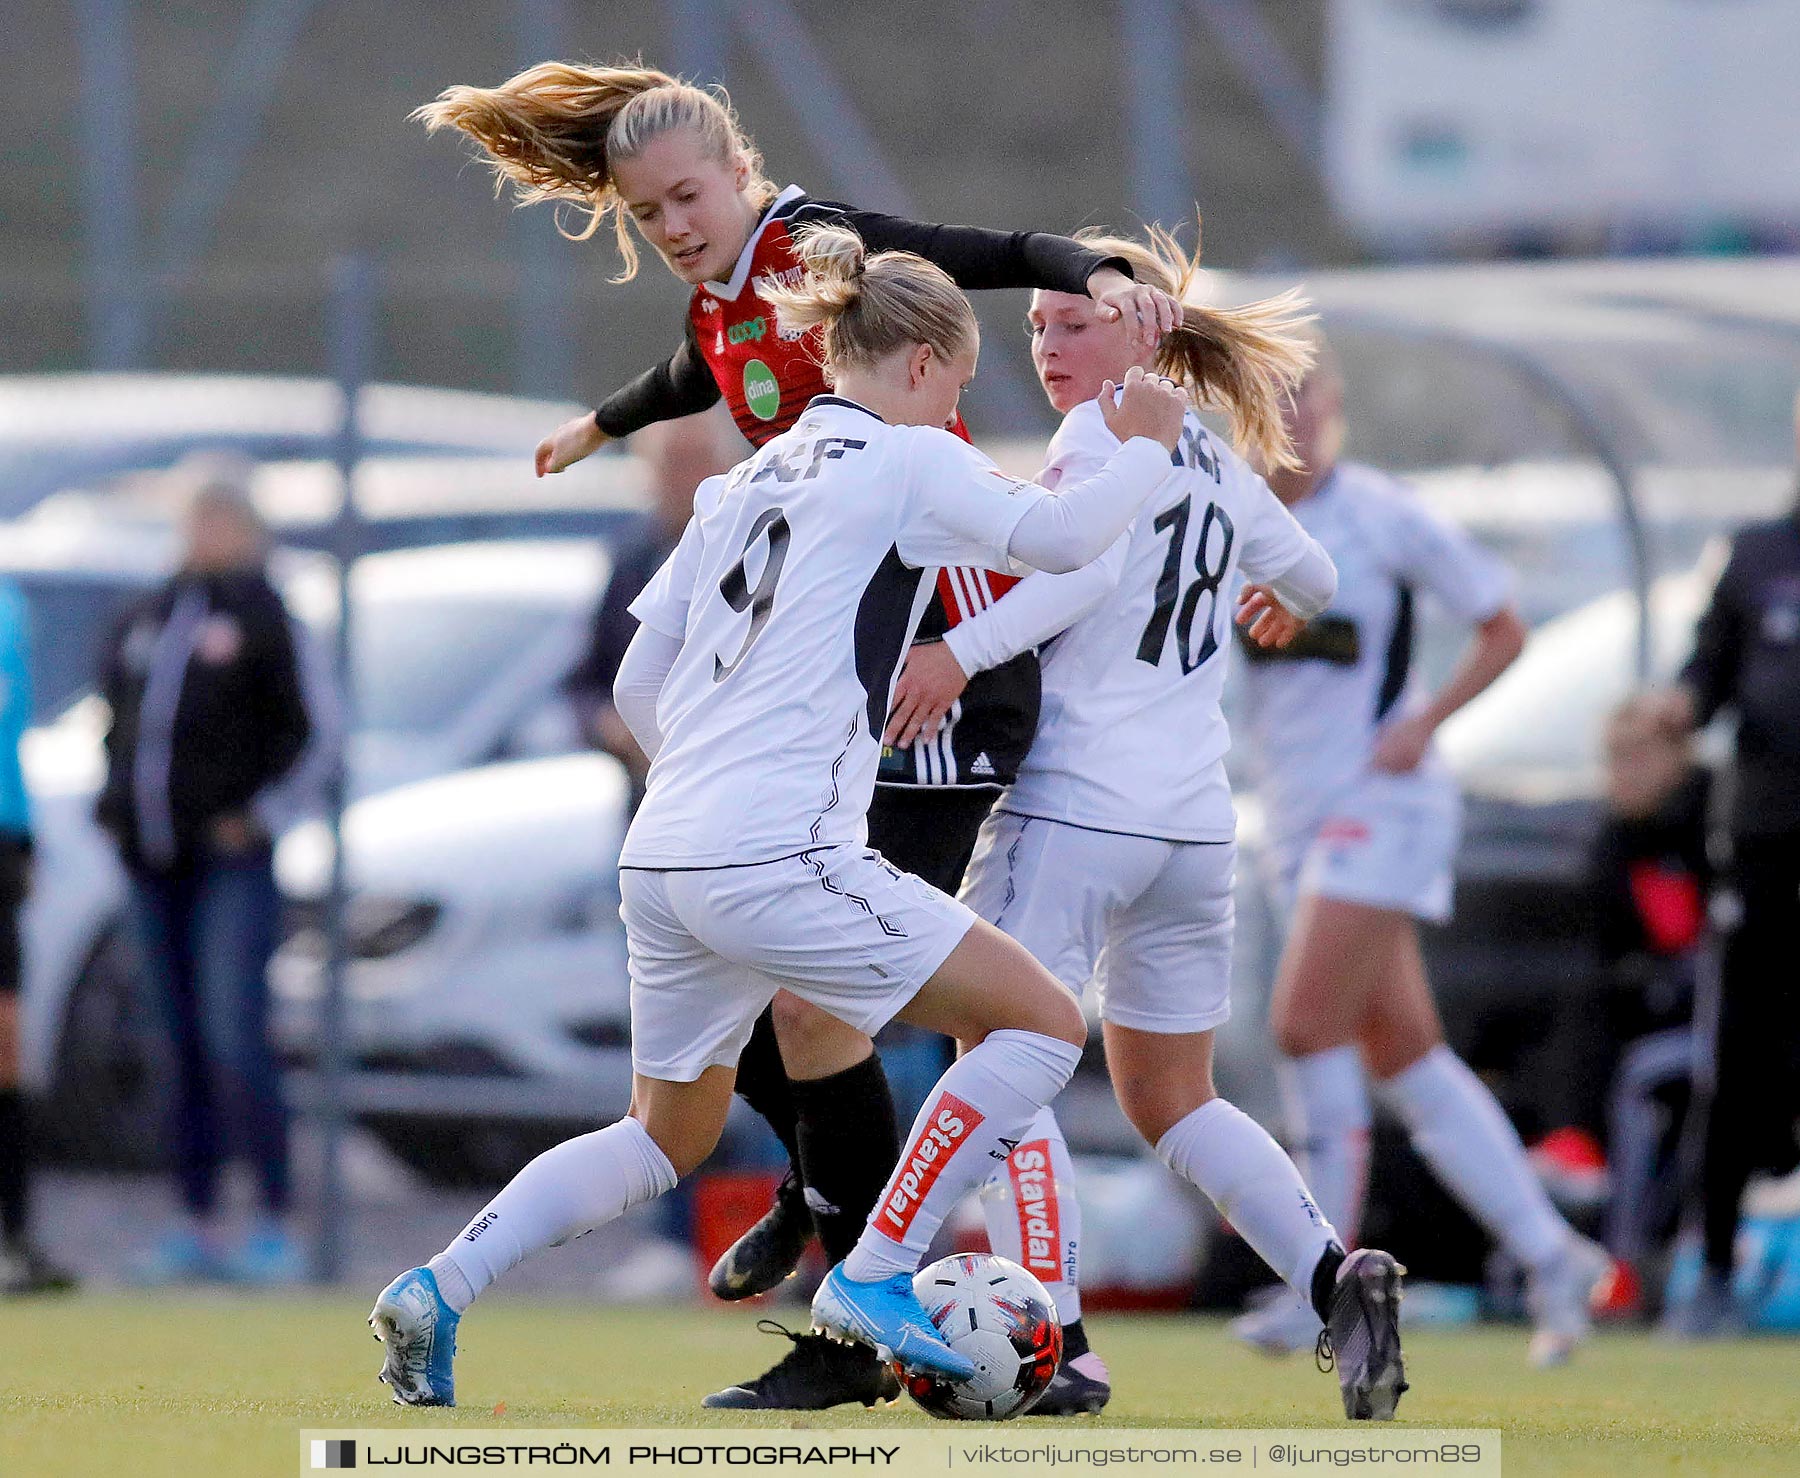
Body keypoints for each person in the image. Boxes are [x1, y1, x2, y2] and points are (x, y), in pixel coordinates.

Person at [366, 229, 1246, 1412]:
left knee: (656, 1134)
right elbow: (1066, 540)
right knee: (1038, 1021)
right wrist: (1139, 450)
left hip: (665, 850)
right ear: (929, 363)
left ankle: (439, 1282)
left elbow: (638, 683)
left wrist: (712, 783)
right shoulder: (910, 460)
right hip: (774, 852)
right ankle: (875, 1272)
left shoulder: (743, 478)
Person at [909, 226, 1408, 1421]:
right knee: (1171, 1098)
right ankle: (1339, 1278)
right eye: (1035, 325)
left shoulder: (1099, 438)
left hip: (1079, 807)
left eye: (1072, 321)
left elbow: (1073, 577)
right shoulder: (1219, 456)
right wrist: (1264, 590)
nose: (1046, 343)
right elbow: (1322, 580)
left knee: (998, 1062)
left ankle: (1059, 1338)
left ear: (1144, 327)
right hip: (1190, 827)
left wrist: (954, 651)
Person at [1225, 338, 1608, 1368]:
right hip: (1297, 815)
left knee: (1305, 1023)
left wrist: (1424, 720)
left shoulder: (1384, 515)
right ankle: (1553, 1249)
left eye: (1314, 395)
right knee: (1407, 1054)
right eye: (1278, 397)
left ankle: (1323, 1278)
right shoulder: (1233, 520)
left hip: (1385, 802)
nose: (1300, 415)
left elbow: (1502, 625)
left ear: (1339, 405)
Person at [95, 459, 315, 1284]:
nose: (207, 534)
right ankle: (192, 1219)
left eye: (222, 518)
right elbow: (120, 727)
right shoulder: (149, 614)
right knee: (175, 1040)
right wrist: (112, 807)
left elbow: (313, 735)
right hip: (151, 861)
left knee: (233, 1033)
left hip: (232, 865)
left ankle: (273, 1220)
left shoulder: (266, 614)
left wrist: (254, 818)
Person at [1650, 425, 1800, 1338]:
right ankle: (1709, 1273)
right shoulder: (1756, 555)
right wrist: (1669, 711)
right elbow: (1703, 682)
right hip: (1765, 851)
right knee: (1737, 1064)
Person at [565, 408, 747, 806]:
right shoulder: (630, 563)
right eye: (673, 463)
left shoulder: (757, 556)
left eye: (697, 460)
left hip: (737, 792)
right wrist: (612, 727)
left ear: (728, 466)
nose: (686, 480)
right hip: (649, 795)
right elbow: (585, 682)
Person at [0, 577, 75, 1296]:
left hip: (0, 842)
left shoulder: (10, 605)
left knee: (6, 1047)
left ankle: (15, 1237)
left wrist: (21, 839)